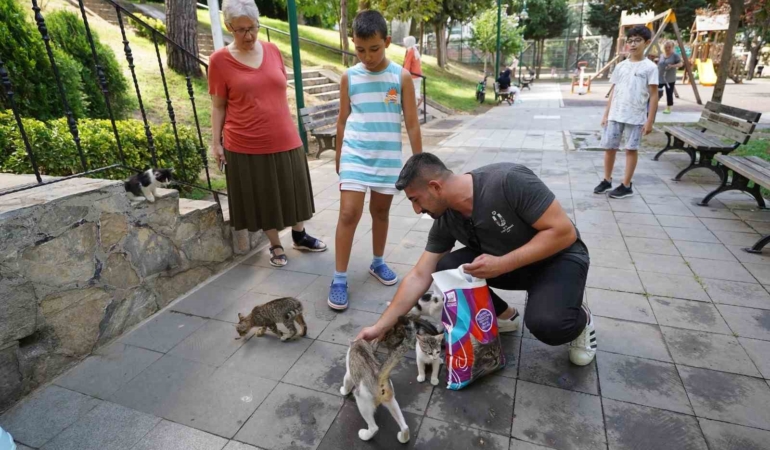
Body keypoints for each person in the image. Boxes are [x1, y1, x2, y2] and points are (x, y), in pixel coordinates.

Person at [356, 153, 596, 365]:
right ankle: (505, 316)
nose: (417, 210)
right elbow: (420, 275)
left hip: (558, 259)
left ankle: (579, 318)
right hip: (512, 264)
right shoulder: (446, 218)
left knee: (548, 325)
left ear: (435, 187)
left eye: (415, 199)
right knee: (448, 266)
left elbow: (564, 232)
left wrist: (502, 264)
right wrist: (380, 326)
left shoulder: (508, 180)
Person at [208, 0, 327, 267]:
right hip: (245, 141)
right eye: (241, 30)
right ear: (229, 27)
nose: (249, 35)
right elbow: (218, 106)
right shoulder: (219, 61)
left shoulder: (273, 51)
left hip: (285, 135)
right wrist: (215, 143)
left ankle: (299, 235)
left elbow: (276, 90)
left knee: (292, 189)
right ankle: (275, 244)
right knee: (263, 196)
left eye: (253, 28)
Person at [328, 10, 423, 310]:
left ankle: (377, 262)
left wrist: (419, 164)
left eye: (374, 49)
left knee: (380, 212)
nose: (367, 57)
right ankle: (339, 277)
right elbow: (342, 120)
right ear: (352, 43)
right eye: (359, 49)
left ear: (387, 42)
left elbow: (411, 123)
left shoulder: (401, 76)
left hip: (387, 158)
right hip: (356, 154)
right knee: (348, 213)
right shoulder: (349, 76)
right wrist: (339, 153)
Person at [594, 25, 658, 199]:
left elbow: (653, 96)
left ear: (647, 42)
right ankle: (607, 180)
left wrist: (650, 120)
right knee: (609, 148)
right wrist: (606, 114)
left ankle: (626, 185)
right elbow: (614, 90)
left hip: (636, 116)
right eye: (630, 40)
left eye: (638, 40)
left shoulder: (650, 67)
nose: (633, 44)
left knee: (631, 149)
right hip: (616, 114)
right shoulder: (621, 66)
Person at [657, 41, 683, 114]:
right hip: (660, 78)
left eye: (669, 47)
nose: (667, 48)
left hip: (669, 79)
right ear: (663, 47)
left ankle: (669, 108)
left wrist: (672, 66)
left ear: (672, 47)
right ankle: (653, 105)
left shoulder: (675, 55)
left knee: (669, 93)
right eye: (666, 47)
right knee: (655, 92)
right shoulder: (661, 55)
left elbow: (681, 64)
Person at [402, 36, 423, 108]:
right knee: (416, 89)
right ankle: (417, 101)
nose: (404, 44)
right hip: (418, 74)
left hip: (413, 75)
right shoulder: (415, 50)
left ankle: (414, 104)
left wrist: (403, 73)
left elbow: (407, 64)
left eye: (405, 42)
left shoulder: (410, 51)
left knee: (411, 90)